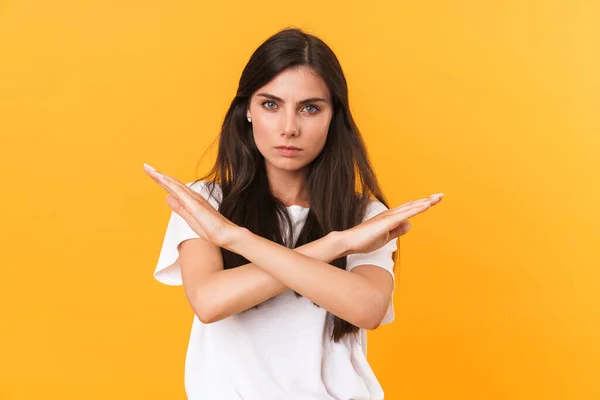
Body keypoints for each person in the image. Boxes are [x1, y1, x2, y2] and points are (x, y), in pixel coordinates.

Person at [145, 27, 443, 400]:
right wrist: (336, 245)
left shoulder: (363, 214)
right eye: (271, 104)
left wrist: (236, 240)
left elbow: (367, 309)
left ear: (334, 117)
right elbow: (209, 302)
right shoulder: (207, 202)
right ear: (248, 112)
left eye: (310, 108)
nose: (289, 128)